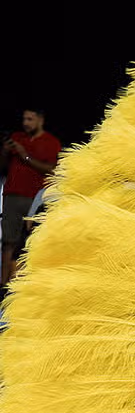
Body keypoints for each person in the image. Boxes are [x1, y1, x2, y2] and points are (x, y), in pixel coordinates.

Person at [1, 107, 60, 290]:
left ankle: (24, 285)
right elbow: (3, 167)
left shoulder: (51, 142)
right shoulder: (17, 137)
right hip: (12, 195)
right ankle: (4, 285)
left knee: (29, 243)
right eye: (24, 119)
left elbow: (51, 170)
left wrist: (24, 155)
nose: (25, 123)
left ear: (40, 120)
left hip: (35, 198)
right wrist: (5, 151)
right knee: (8, 241)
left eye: (30, 119)